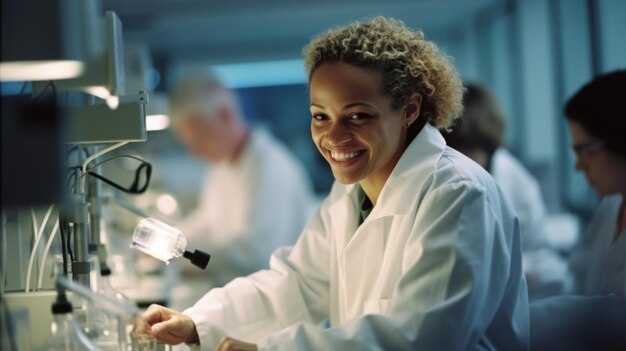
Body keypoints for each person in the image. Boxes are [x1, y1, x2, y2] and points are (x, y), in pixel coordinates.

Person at [135, 17, 529, 350]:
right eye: (320, 116)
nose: (334, 137)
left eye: (357, 116)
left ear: (409, 109)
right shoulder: (351, 192)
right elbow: (299, 283)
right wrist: (198, 322)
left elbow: (421, 336)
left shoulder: (458, 194)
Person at [168, 72, 317, 289]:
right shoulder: (222, 165)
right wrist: (171, 239)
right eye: (189, 143)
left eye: (200, 139)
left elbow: (255, 253)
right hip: (238, 292)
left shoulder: (270, 167)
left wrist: (183, 256)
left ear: (225, 115)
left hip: (275, 298)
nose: (195, 153)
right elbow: (209, 222)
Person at [442, 84, 569, 299]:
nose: (459, 163)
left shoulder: (519, 185)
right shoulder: (440, 173)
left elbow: (538, 253)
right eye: (452, 151)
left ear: (488, 146)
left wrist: (519, 273)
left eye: (467, 151)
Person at [529, 70, 626, 350]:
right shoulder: (610, 208)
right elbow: (577, 278)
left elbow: (605, 315)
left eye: (587, 151)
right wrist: (535, 278)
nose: (579, 166)